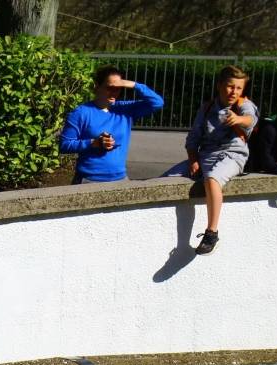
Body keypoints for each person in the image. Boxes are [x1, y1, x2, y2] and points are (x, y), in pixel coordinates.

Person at [174, 65, 259, 255]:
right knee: (166, 177)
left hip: (232, 155)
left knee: (212, 179)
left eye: (238, 88)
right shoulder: (207, 108)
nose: (234, 92)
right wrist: (193, 159)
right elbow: (192, 140)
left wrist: (238, 119)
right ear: (220, 85)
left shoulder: (243, 105)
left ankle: (211, 233)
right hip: (205, 156)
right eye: (230, 87)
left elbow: (250, 119)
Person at [60, 65, 164, 184]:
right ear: (97, 86)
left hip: (120, 179)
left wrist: (134, 85)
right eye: (110, 87)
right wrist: (93, 143)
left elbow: (157, 103)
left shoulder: (125, 109)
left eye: (118, 88)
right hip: (88, 180)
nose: (114, 92)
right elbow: (64, 145)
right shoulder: (81, 113)